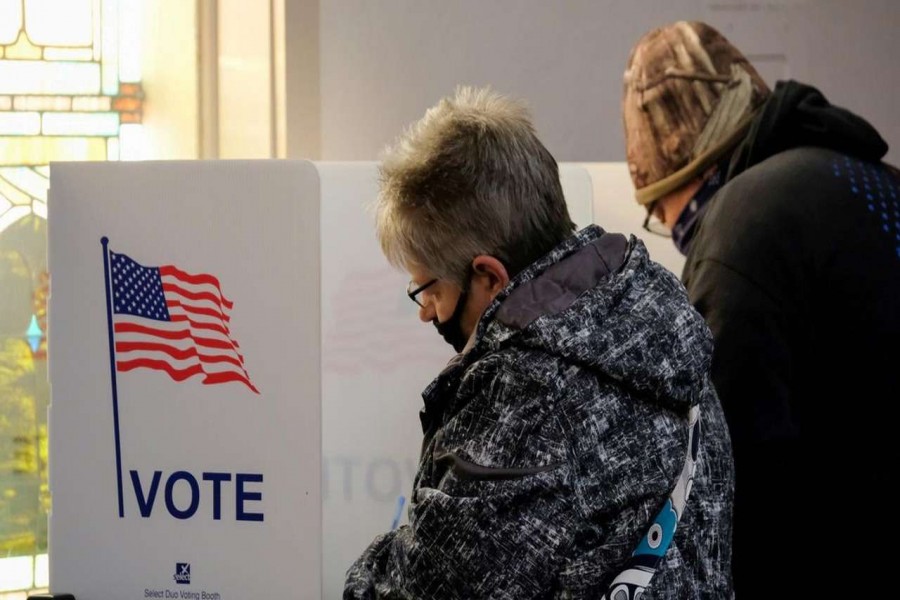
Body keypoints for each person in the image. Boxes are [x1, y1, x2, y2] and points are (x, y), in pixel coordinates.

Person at [344, 86, 734, 599]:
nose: (425, 312)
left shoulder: (527, 396)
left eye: (430, 289)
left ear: (488, 275)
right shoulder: (659, 326)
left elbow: (419, 589)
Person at [622, 21, 900, 596]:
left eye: (659, 208)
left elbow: (732, 481)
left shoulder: (736, 232)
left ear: (684, 176)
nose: (669, 227)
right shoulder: (874, 180)